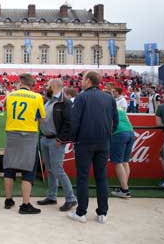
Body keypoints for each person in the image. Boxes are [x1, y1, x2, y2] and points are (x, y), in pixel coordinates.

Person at [69, 71, 118, 224]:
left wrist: (74, 139)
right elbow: (115, 122)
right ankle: (103, 213)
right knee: (101, 177)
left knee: (83, 177)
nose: (82, 81)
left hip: (85, 142)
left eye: (83, 79)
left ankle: (81, 212)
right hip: (103, 142)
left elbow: (74, 122)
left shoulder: (81, 97)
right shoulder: (109, 98)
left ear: (89, 81)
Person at [3, 73, 46, 215]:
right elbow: (41, 119)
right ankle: (25, 204)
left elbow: (8, 111)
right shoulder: (37, 97)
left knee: (9, 166)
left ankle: (8, 200)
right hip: (29, 135)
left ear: (20, 83)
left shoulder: (10, 96)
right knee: (28, 170)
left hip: (12, 134)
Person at [37, 79, 77, 211]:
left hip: (56, 140)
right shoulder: (48, 100)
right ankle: (52, 196)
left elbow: (69, 122)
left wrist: (61, 139)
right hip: (45, 138)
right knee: (50, 168)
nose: (46, 87)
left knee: (57, 168)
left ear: (53, 86)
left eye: (48, 85)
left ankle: (71, 198)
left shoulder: (65, 102)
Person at [110, 106, 135, 198]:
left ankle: (125, 190)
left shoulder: (105, 107)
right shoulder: (119, 107)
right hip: (131, 132)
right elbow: (127, 120)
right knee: (125, 162)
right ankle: (124, 187)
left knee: (118, 163)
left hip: (118, 134)